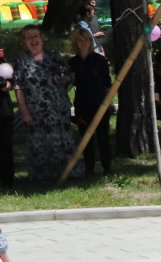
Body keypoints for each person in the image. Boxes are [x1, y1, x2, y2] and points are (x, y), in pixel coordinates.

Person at [12, 24, 75, 183]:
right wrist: (24, 111)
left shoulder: (54, 56)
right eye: (29, 37)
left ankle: (67, 174)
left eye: (36, 36)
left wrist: (64, 79)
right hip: (36, 110)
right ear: (24, 41)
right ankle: (42, 177)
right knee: (40, 143)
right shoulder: (22, 61)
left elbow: (69, 77)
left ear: (42, 38)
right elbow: (18, 87)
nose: (33, 40)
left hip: (58, 107)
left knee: (62, 140)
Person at [68, 26, 113, 176]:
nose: (83, 43)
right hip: (82, 104)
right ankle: (89, 169)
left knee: (103, 137)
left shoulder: (100, 60)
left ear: (90, 41)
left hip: (100, 103)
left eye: (86, 40)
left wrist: (109, 102)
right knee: (86, 138)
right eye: (80, 40)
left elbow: (108, 84)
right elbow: (70, 82)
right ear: (75, 42)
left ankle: (107, 168)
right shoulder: (72, 63)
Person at [0, 50, 15, 190]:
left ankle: (6, 179)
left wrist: (7, 84)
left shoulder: (0, 59)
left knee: (4, 145)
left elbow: (10, 81)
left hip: (2, 110)